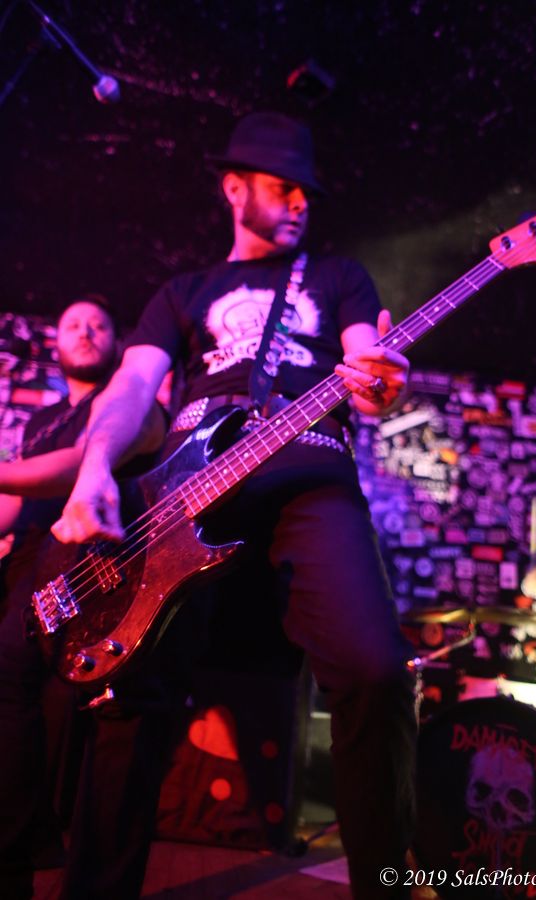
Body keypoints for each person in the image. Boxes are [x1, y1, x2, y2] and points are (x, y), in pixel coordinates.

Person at [51, 112, 417, 899]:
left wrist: (380, 385)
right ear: (234, 189)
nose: (301, 201)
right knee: (127, 687)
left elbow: (367, 362)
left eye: (308, 190)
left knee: (375, 670)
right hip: (183, 489)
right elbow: (130, 389)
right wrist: (95, 468)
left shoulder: (339, 276)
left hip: (309, 470)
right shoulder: (181, 293)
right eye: (282, 186)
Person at [0, 296, 166, 900]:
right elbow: (13, 501)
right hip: (25, 561)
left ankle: (29, 848)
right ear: (56, 343)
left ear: (118, 342)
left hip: (82, 561)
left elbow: (80, 466)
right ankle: (25, 843)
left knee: (21, 681)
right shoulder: (40, 421)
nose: (87, 332)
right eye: (73, 324)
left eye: (99, 324)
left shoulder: (124, 403)